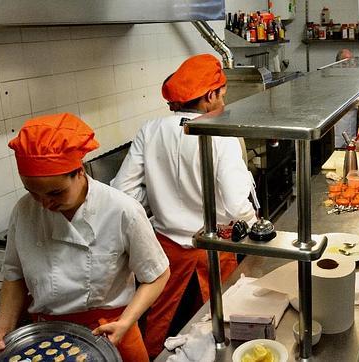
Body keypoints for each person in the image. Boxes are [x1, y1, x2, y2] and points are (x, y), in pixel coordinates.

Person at [0, 113, 170, 361]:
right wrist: (2, 328)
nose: (45, 203)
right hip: (46, 337)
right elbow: (14, 275)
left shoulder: (121, 210)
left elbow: (157, 275)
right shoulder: (24, 210)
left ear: (79, 171)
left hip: (110, 332)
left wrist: (126, 321)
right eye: (33, 192)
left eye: (56, 193)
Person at [111, 54, 257, 358]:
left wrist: (159, 204)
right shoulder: (219, 131)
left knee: (162, 335)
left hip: (164, 255)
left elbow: (122, 192)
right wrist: (254, 224)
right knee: (220, 328)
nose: (224, 99)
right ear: (208, 96)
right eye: (222, 92)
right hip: (212, 249)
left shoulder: (150, 130)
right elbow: (234, 204)